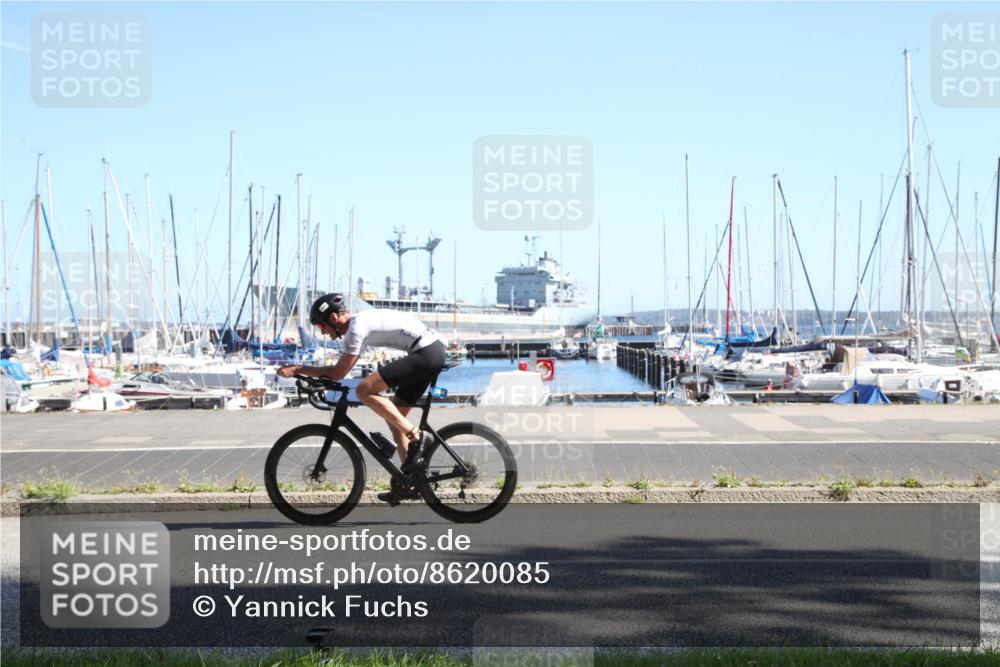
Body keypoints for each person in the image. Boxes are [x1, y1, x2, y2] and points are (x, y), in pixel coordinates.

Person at [277, 293, 447, 504]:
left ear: (333, 319)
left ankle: (417, 436)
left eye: (322, 327)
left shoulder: (355, 329)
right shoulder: (359, 324)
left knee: (364, 390)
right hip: (429, 351)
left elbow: (338, 372)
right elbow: (338, 372)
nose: (323, 333)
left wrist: (298, 369)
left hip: (426, 353)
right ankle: (410, 481)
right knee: (395, 419)